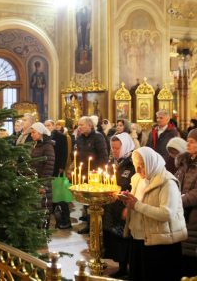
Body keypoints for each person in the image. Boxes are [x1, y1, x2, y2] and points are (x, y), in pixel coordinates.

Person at [120, 147, 187, 281]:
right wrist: (127, 200)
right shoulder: (137, 179)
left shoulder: (167, 182)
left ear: (150, 162)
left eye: (142, 166)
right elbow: (137, 203)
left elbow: (166, 214)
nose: (138, 170)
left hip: (160, 244)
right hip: (139, 239)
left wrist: (136, 205)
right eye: (136, 166)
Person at [103, 133, 135, 279]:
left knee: (125, 239)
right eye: (113, 148)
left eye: (117, 148)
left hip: (124, 205)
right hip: (112, 205)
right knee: (115, 238)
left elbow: (135, 186)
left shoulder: (133, 163)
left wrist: (127, 207)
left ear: (126, 146)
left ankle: (129, 269)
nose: (114, 151)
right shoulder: (114, 162)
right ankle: (121, 267)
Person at [75, 116, 109, 234]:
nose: (79, 127)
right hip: (83, 172)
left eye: (82, 125)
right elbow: (78, 156)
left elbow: (104, 156)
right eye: (79, 125)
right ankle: (89, 225)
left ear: (90, 125)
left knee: (95, 201)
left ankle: (97, 226)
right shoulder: (79, 138)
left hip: (95, 174)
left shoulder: (98, 137)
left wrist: (99, 172)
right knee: (86, 200)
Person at [174, 129, 197, 277]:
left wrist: (177, 200)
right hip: (181, 215)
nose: (187, 144)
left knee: (192, 258)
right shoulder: (184, 163)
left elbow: (196, 194)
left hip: (194, 216)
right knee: (182, 257)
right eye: (187, 140)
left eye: (192, 141)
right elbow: (175, 182)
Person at [44, 119, 71, 229]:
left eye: (49, 125)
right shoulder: (46, 137)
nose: (47, 127)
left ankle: (65, 218)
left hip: (57, 168)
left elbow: (64, 152)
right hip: (49, 169)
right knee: (53, 194)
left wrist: (61, 167)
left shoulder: (60, 136)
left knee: (60, 194)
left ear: (54, 126)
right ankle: (56, 217)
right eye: (45, 125)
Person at [30, 122, 55, 229]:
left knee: (44, 206)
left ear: (40, 133)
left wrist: (43, 184)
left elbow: (49, 166)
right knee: (36, 207)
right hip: (35, 180)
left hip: (43, 181)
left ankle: (44, 232)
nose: (31, 134)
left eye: (34, 132)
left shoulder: (47, 146)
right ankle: (36, 231)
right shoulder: (36, 144)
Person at [146, 109, 179, 174]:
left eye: (161, 118)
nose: (158, 120)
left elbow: (175, 150)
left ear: (168, 119)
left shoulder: (173, 132)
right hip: (153, 163)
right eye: (157, 118)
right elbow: (148, 146)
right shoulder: (152, 132)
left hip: (167, 164)